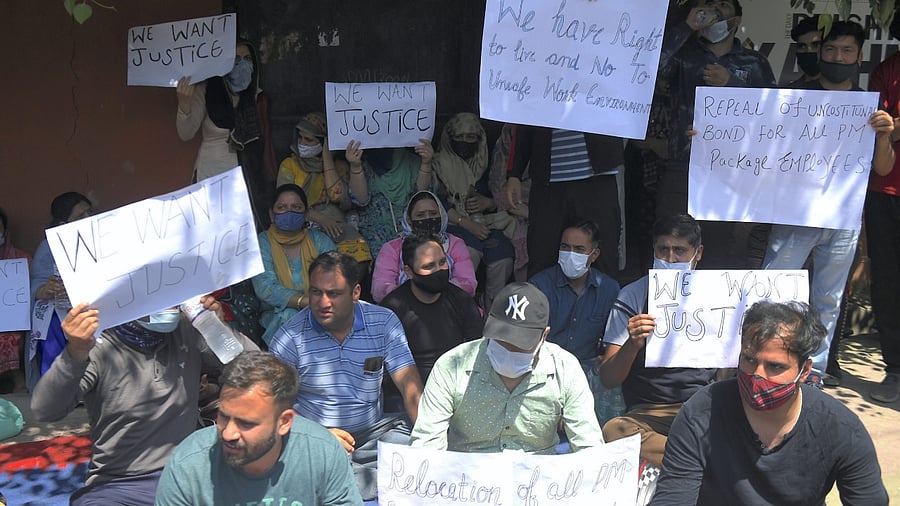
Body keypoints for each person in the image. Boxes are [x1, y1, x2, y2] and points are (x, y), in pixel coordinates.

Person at [763, 20, 895, 388]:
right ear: (820, 53)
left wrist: (884, 136)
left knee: (828, 301)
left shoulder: (870, 107)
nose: (838, 57)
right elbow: (755, 148)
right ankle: (767, 367)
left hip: (843, 219)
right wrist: (712, 140)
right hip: (794, 216)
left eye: (847, 51)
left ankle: (812, 376)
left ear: (860, 56)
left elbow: (882, 167)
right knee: (774, 291)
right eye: (831, 50)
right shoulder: (793, 97)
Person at [650, 301, 888, 505]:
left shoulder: (841, 428)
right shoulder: (701, 412)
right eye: (749, 360)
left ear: (804, 371)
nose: (757, 375)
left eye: (775, 366)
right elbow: (673, 497)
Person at [31, 297, 259, 505]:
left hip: (188, 474)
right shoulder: (100, 345)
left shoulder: (188, 332)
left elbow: (258, 376)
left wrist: (219, 330)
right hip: (118, 485)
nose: (168, 304)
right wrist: (75, 353)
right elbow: (46, 409)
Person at [269, 251, 423, 501]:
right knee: (300, 462)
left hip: (374, 432)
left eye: (334, 293)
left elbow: (410, 387)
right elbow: (273, 405)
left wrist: (430, 444)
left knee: (414, 451)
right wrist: (317, 435)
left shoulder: (383, 322)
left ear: (355, 293)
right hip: (318, 436)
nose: (323, 302)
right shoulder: (290, 337)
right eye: (316, 292)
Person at [410, 282, 604, 454]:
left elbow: (589, 446)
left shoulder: (565, 368)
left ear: (543, 336)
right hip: (466, 482)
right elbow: (427, 448)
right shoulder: (451, 366)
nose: (509, 349)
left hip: (538, 481)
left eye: (521, 344)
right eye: (501, 340)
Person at [656, 0, 776, 269]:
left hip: (729, 173)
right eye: (709, 3)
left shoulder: (754, 62)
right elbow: (649, 70)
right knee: (671, 244)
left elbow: (772, 116)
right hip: (682, 167)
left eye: (723, 4)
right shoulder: (684, 55)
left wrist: (732, 83)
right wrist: (686, 28)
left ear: (736, 20)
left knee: (720, 250)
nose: (715, 8)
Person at [154, 351, 362, 506]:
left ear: (284, 422)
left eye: (246, 423)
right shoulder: (188, 464)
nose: (229, 433)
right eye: (224, 417)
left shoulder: (322, 453)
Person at [600, 214, 717, 469]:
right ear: (653, 250)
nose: (671, 259)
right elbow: (608, 377)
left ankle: (686, 459)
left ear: (698, 253)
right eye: (663, 250)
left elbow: (729, 370)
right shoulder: (632, 295)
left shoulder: (719, 294)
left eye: (680, 251)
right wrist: (632, 343)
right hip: (648, 413)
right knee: (615, 431)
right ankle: (702, 462)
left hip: (703, 407)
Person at [176, 40, 275, 229]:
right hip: (212, 173)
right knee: (211, 231)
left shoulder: (257, 96)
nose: (242, 64)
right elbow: (185, 133)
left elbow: (265, 143)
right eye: (236, 59)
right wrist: (184, 105)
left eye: (247, 59)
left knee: (243, 233)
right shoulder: (207, 89)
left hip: (249, 175)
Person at [506, 123, 623, 279]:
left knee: (603, 254)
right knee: (542, 256)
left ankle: (605, 302)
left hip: (598, 177)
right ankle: (540, 303)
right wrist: (515, 173)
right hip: (549, 182)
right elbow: (526, 116)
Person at [431, 113, 515, 305]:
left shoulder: (486, 162)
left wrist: (488, 203)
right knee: (469, 252)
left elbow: (500, 194)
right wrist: (466, 223)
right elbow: (436, 201)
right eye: (458, 137)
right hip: (451, 223)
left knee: (502, 255)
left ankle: (492, 309)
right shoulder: (439, 163)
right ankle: (459, 306)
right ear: (449, 138)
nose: (464, 142)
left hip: (485, 223)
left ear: (480, 138)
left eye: (470, 137)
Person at [381, 234, 484, 384]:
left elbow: (478, 351)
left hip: (455, 383)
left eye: (442, 262)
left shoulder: (461, 300)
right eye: (429, 266)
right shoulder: (393, 308)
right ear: (409, 272)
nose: (438, 270)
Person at [276, 112, 371, 265]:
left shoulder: (339, 166)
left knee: (358, 255)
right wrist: (321, 219)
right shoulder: (289, 165)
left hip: (337, 227)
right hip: (303, 223)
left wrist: (327, 157)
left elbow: (337, 196)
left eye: (309, 140)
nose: (302, 143)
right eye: (300, 138)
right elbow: (284, 204)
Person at [529, 219, 620, 374]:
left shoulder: (608, 289)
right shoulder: (539, 286)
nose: (571, 254)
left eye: (579, 249)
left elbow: (612, 341)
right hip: (545, 366)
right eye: (565, 248)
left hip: (588, 369)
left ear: (594, 254)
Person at [251, 184, 337, 344]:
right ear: (272, 214)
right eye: (282, 207)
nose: (289, 212)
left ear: (305, 214)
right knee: (290, 316)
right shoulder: (261, 243)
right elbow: (265, 287)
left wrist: (320, 302)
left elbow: (337, 276)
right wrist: (304, 302)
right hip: (277, 315)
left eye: (296, 207)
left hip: (323, 308)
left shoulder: (319, 241)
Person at [866, 14, 900, 403]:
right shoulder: (886, 73)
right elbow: (882, 158)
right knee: (889, 285)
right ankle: (895, 370)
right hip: (886, 193)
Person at [26, 191, 92, 391]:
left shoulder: (101, 240)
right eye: (80, 216)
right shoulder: (48, 246)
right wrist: (46, 289)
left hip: (92, 302)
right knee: (53, 321)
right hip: (59, 305)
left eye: (90, 213)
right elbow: (35, 283)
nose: (88, 219)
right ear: (63, 223)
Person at [371, 190, 476, 303]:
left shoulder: (455, 244)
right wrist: (414, 298)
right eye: (420, 215)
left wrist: (434, 297)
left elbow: (468, 284)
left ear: (441, 215)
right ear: (410, 220)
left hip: (450, 306)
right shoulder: (392, 248)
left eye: (433, 214)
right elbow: (379, 289)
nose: (427, 218)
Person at [355, 141, 434, 260]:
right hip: (375, 238)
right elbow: (361, 200)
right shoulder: (365, 165)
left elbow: (421, 196)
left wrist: (426, 163)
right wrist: (355, 166)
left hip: (413, 236)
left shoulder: (413, 162)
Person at [0, 208, 31, 393]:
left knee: (10, 337)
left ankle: (17, 378)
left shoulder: (21, 259)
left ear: (5, 231)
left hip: (12, 323)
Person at [783, 15, 822, 87]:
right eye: (802, 46)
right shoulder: (788, 92)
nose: (808, 51)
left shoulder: (846, 91)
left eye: (815, 45)